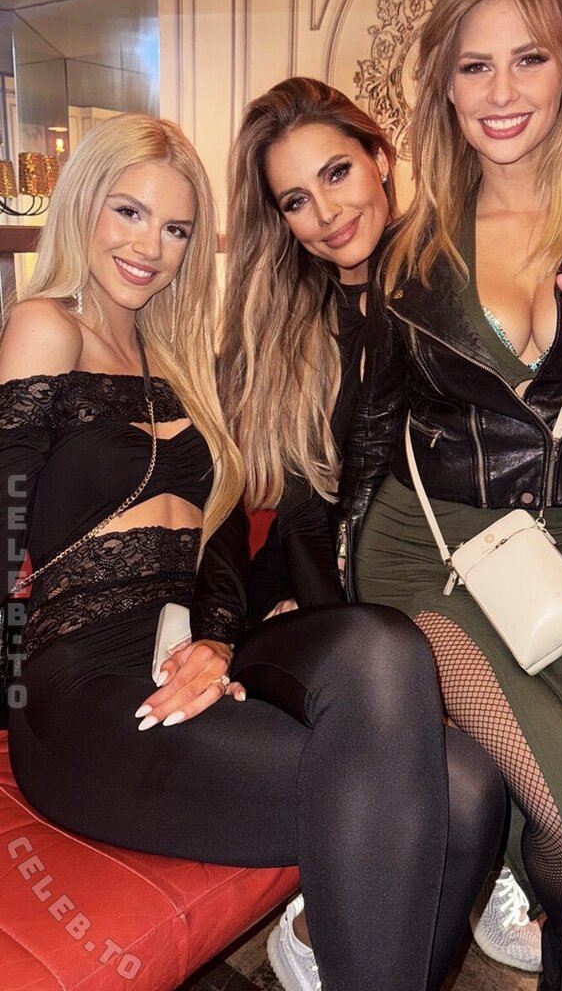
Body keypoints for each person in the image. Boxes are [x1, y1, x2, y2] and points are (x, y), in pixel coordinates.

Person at [0, 112, 504, 991]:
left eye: (176, 228)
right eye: (128, 212)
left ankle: (314, 944)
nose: (149, 248)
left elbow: (220, 536)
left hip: (171, 650)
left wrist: (215, 638)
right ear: (82, 205)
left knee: (444, 742)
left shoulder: (178, 356)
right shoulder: (48, 326)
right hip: (80, 692)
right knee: (449, 798)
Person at [341, 0, 562, 991]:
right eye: (474, 66)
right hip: (425, 551)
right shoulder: (407, 246)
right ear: (445, 84)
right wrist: (331, 604)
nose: (502, 92)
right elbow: (365, 434)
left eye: (529, 58)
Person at [219, 77, 510, 990]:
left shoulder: (442, 292)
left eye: (337, 173)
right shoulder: (284, 324)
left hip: (421, 583)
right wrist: (249, 622)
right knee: (404, 675)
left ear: (381, 159)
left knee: (473, 783)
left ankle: (322, 933)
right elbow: (279, 510)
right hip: (310, 608)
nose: (325, 214)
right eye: (294, 200)